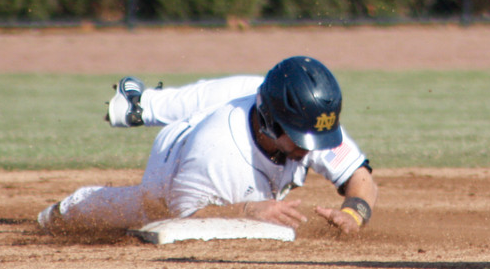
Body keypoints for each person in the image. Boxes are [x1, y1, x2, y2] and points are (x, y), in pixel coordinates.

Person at [37, 56, 378, 235]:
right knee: (144, 210)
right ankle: (65, 210)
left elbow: (361, 177)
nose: (312, 148)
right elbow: (179, 219)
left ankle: (143, 104)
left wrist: (353, 214)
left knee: (228, 93)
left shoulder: (309, 117)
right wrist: (246, 210)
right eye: (303, 139)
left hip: (242, 101)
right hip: (172, 168)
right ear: (273, 122)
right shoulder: (214, 153)